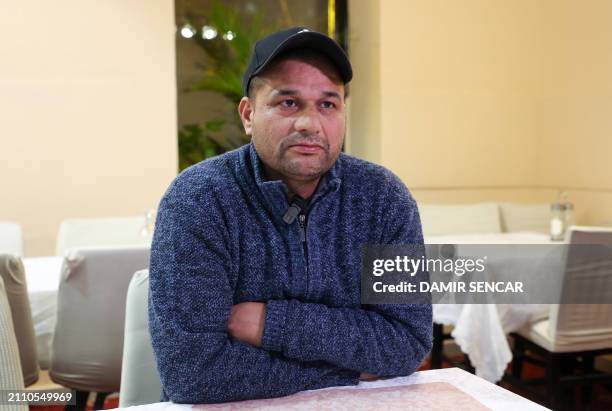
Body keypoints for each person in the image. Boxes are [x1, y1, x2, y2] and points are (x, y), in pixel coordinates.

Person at [149, 27, 432, 404]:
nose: (309, 124)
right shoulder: (199, 199)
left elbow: (408, 343)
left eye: (327, 105)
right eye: (288, 103)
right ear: (248, 115)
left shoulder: (383, 197)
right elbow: (193, 374)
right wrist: (349, 366)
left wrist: (270, 325)